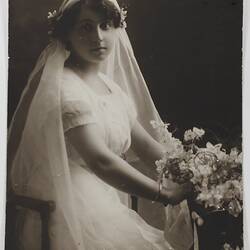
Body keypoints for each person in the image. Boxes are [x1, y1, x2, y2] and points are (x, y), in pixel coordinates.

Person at [7, 0, 194, 249]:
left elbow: (146, 146)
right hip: (68, 206)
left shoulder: (110, 87)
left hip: (103, 195)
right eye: (85, 27)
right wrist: (162, 194)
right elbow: (100, 161)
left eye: (105, 26)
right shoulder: (66, 88)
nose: (98, 37)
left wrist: (196, 173)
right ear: (67, 36)